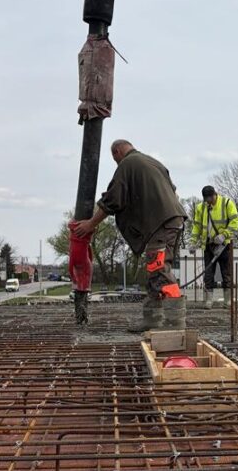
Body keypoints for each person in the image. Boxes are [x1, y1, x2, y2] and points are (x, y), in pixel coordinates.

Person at [73, 140, 186, 332]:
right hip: (171, 221)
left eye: (114, 158)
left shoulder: (127, 164)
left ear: (117, 152)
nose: (116, 162)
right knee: (154, 268)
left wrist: (91, 224)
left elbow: (113, 199)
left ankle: (175, 324)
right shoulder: (153, 162)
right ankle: (153, 319)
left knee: (158, 269)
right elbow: (172, 190)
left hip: (161, 223)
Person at [190, 185, 238, 308]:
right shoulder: (201, 208)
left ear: (214, 195)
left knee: (226, 273)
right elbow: (197, 226)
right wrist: (193, 242)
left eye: (210, 199)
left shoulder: (226, 203)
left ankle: (228, 301)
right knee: (208, 274)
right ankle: (208, 301)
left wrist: (224, 235)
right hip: (208, 246)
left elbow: (235, 222)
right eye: (206, 199)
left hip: (223, 245)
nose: (208, 202)